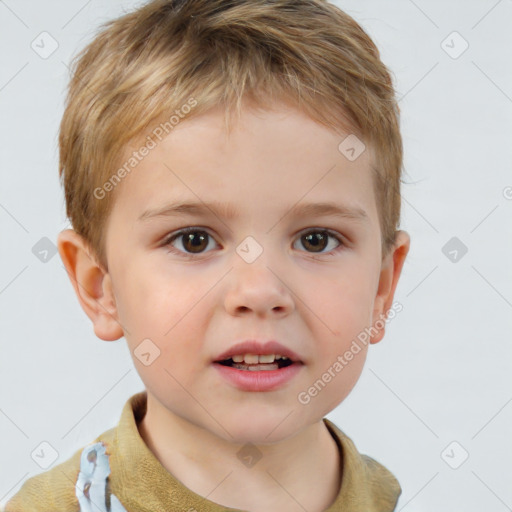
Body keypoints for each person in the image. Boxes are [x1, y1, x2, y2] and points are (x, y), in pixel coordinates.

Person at [4, 0, 410, 510]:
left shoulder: (388, 498)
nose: (260, 292)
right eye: (193, 240)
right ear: (99, 287)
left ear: (381, 287)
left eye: (316, 240)